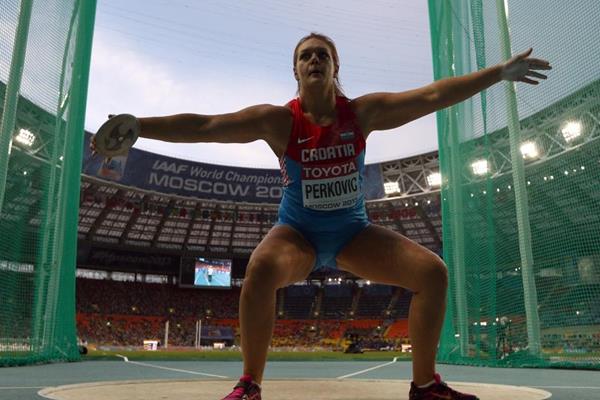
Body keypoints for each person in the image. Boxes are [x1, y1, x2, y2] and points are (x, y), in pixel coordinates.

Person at [93, 33, 550, 400]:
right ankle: (249, 384)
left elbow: (431, 95)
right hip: (299, 235)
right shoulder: (278, 121)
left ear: (335, 67)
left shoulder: (363, 113)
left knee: (432, 272)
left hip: (354, 234)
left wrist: (497, 73)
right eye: (305, 55)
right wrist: (141, 127)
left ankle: (425, 385)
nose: (314, 60)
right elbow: (207, 126)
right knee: (261, 268)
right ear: (295, 70)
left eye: (322, 55)